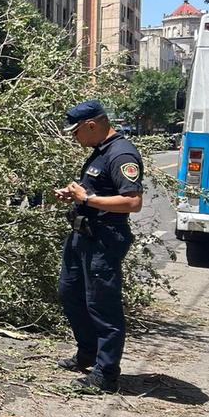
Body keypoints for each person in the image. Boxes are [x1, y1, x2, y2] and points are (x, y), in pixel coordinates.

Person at [53, 100, 144, 393]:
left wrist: (88, 199)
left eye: (75, 132)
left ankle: (106, 374)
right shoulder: (99, 153)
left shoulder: (121, 153)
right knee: (69, 292)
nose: (74, 138)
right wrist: (75, 194)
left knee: (102, 304)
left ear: (91, 125)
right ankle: (87, 353)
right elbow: (96, 191)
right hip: (82, 236)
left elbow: (132, 201)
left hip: (104, 239)